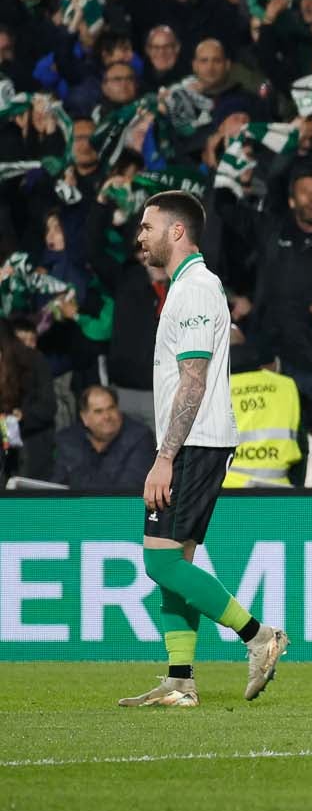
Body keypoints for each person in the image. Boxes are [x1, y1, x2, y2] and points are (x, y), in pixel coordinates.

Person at [119, 192, 288, 709]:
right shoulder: (189, 288)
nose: (139, 235)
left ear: (176, 232)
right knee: (178, 562)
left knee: (161, 566)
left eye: (147, 226)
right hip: (197, 441)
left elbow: (194, 382)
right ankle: (179, 681)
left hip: (193, 443)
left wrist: (164, 457)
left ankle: (259, 635)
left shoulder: (193, 288)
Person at [52, 385, 155, 492]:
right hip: (76, 507)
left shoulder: (140, 437)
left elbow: (130, 489)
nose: (107, 416)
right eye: (98, 411)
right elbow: (56, 487)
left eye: (111, 408)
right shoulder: (68, 440)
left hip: (122, 506)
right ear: (84, 417)